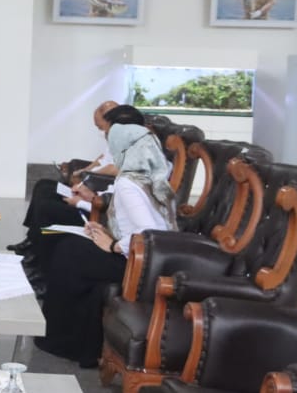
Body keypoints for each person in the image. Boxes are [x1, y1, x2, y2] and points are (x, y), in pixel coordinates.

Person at [35, 121, 178, 368]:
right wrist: (106, 232)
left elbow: (148, 233)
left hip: (139, 264)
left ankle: (60, 339)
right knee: (75, 250)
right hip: (157, 261)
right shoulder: (155, 177)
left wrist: (113, 246)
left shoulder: (128, 183)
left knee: (69, 253)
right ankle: (82, 346)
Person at [10, 100, 118, 260]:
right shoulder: (113, 138)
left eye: (100, 127)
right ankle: (31, 238)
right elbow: (103, 158)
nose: (101, 132)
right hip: (87, 188)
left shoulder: (124, 143)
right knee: (43, 185)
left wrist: (87, 177)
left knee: (47, 205)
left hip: (94, 194)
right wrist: (83, 171)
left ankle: (36, 252)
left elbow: (113, 168)